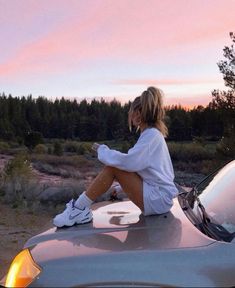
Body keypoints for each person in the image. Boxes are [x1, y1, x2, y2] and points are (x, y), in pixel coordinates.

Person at [53, 86, 178, 228]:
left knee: (113, 168)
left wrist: (102, 150)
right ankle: (79, 209)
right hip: (160, 198)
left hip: (158, 199)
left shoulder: (151, 136)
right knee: (116, 167)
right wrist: (121, 187)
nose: (130, 116)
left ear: (138, 114)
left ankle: (79, 209)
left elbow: (129, 162)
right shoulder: (153, 135)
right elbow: (148, 170)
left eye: (131, 112)